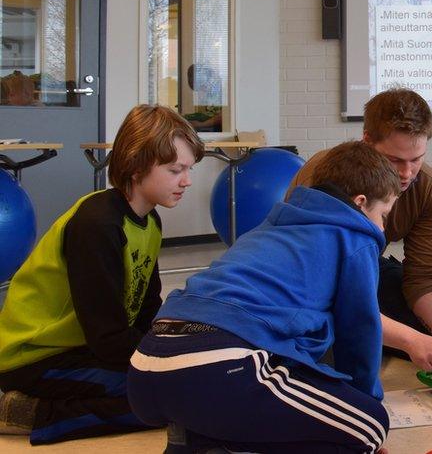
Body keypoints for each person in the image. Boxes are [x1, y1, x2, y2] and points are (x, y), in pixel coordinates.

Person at [128, 141, 397, 454]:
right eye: (384, 214)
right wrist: (361, 403)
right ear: (361, 203)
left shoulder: (272, 223)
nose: (382, 226)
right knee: (370, 426)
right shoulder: (356, 235)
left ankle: (199, 440)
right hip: (218, 365)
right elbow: (359, 331)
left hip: (147, 365)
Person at [0, 104, 205, 444]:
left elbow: (147, 309)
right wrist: (168, 366)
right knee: (169, 395)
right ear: (137, 166)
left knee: (184, 383)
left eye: (188, 169)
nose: (186, 181)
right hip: (34, 357)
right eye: (174, 170)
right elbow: (108, 340)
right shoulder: (97, 225)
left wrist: (180, 349)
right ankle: (30, 412)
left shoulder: (150, 221)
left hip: (84, 348)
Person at [290, 88, 432, 372]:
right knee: (332, 359)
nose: (407, 173)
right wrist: (408, 340)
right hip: (310, 278)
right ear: (367, 141)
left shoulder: (428, 188)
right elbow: (315, 280)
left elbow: (424, 276)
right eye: (396, 160)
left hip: (367, 267)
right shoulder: (327, 175)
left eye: (417, 159)